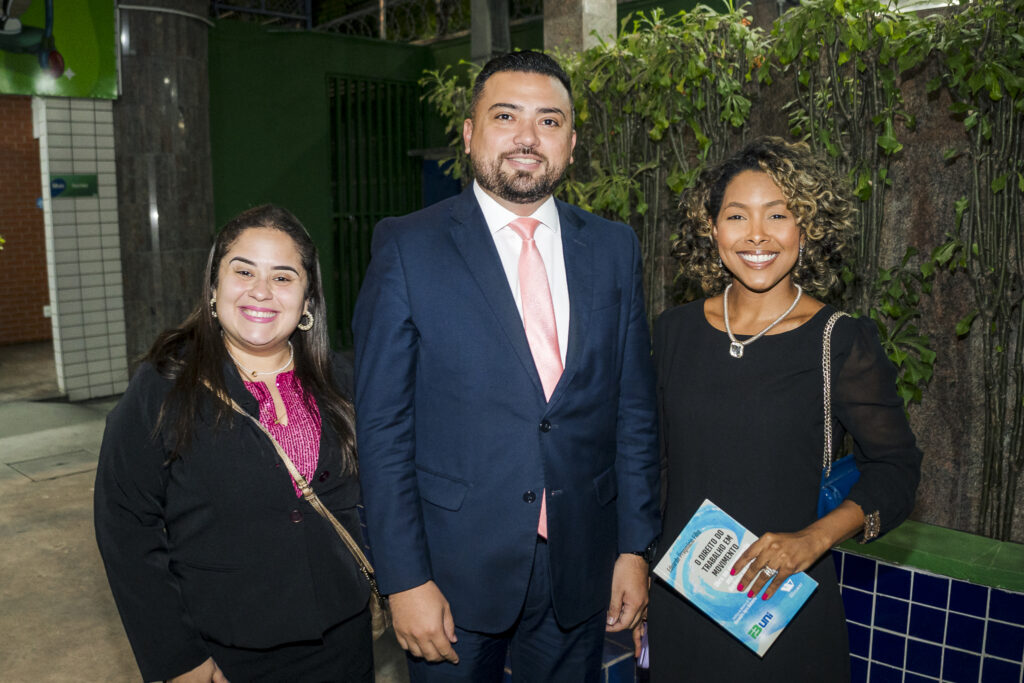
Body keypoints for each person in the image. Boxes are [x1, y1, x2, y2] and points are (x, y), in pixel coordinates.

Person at [352, 50, 660, 682]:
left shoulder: (612, 247)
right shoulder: (407, 247)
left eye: (549, 121)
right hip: (453, 569)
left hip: (580, 562)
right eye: (505, 116)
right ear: (469, 134)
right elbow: (382, 430)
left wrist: (633, 547)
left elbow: (632, 410)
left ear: (571, 144)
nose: (527, 137)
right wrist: (404, 579)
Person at [647, 137, 922, 681]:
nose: (756, 234)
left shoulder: (840, 341)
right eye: (736, 216)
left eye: (778, 215)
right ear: (712, 229)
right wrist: (634, 569)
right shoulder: (672, 331)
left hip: (783, 609)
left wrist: (812, 540)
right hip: (683, 603)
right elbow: (652, 467)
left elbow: (897, 468)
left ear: (806, 228)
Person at [94, 205, 373, 682]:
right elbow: (126, 528)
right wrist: (178, 658)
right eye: (243, 271)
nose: (261, 291)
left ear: (307, 301)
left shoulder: (343, 382)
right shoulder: (165, 385)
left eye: (283, 277)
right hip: (224, 655)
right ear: (213, 288)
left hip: (343, 640)